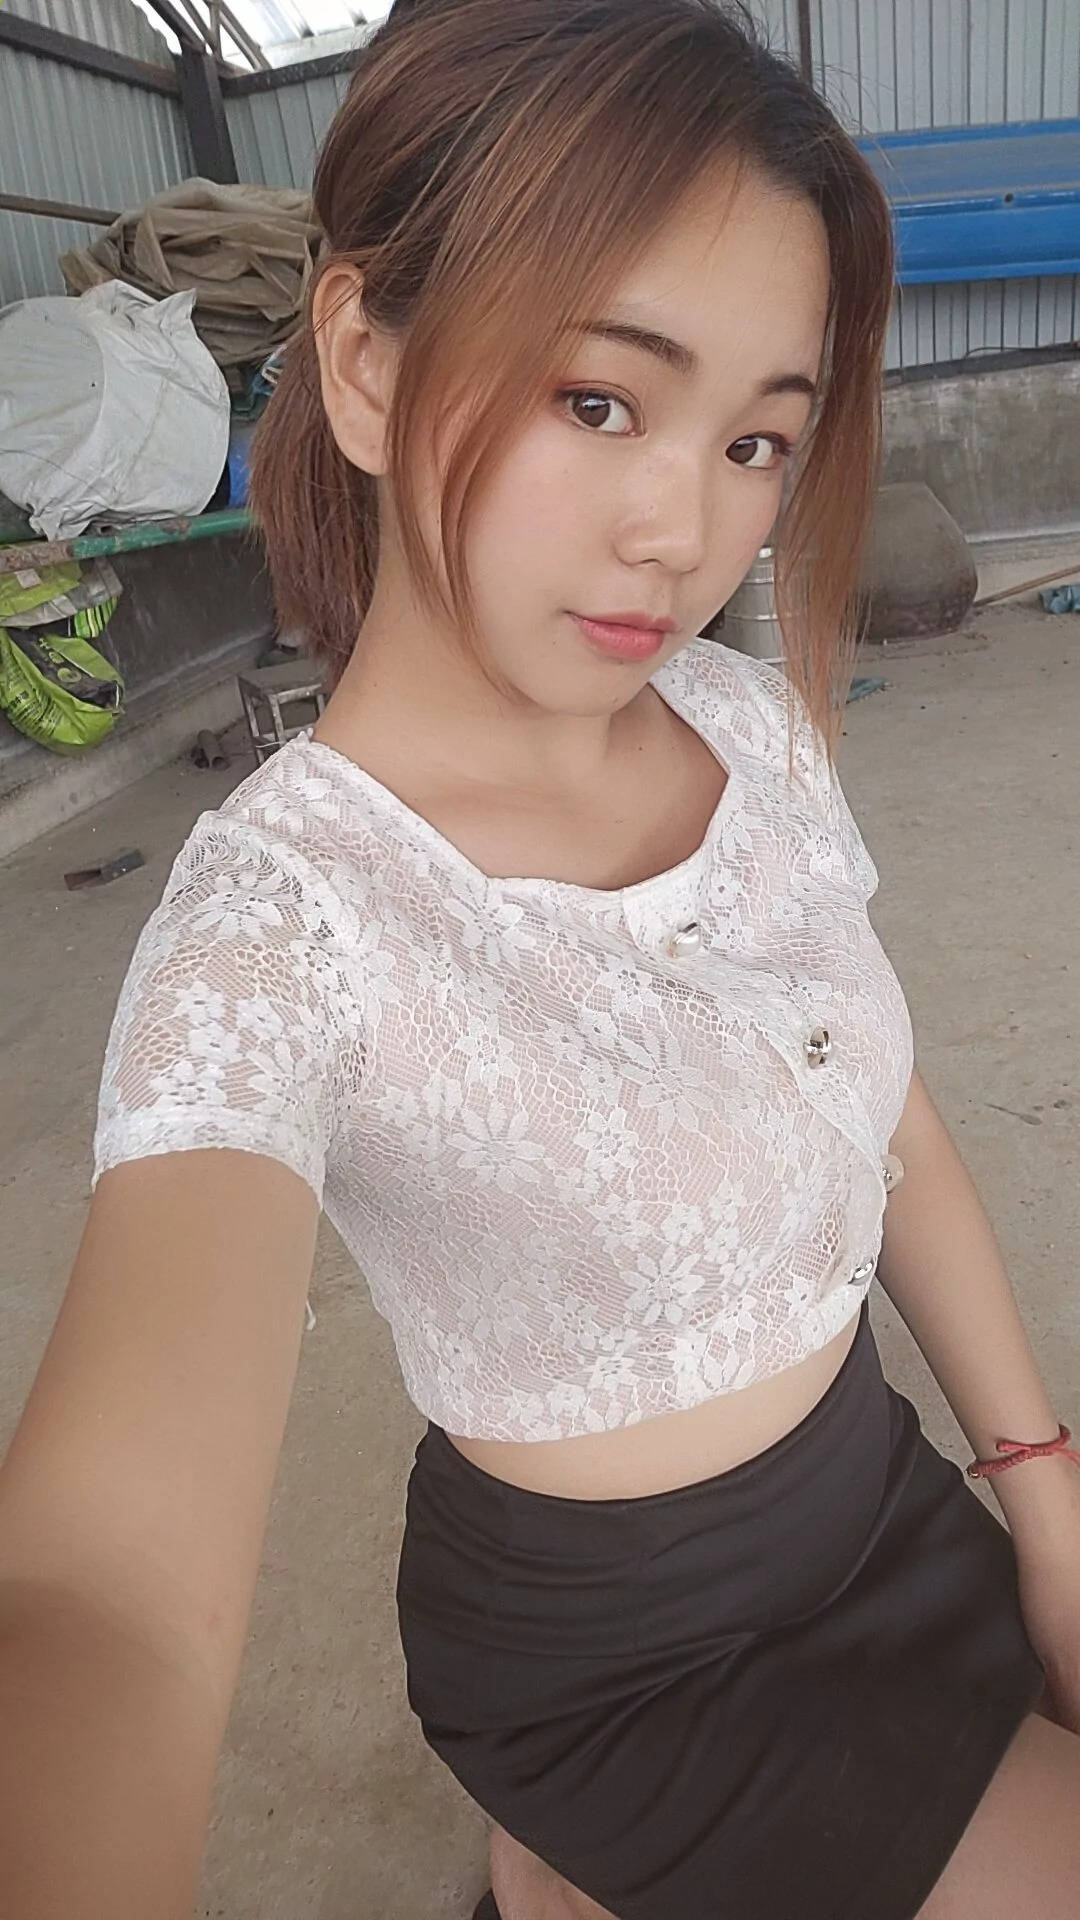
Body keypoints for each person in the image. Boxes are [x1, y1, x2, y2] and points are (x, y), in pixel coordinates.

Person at [2, 1, 1079, 1915]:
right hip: (634, 1665)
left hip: (883, 1503)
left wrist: (1045, 1490)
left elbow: (881, 1105)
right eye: (600, 401)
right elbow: (103, 1587)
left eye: (758, 439)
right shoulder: (286, 919)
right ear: (362, 362)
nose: (684, 526)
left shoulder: (751, 730)